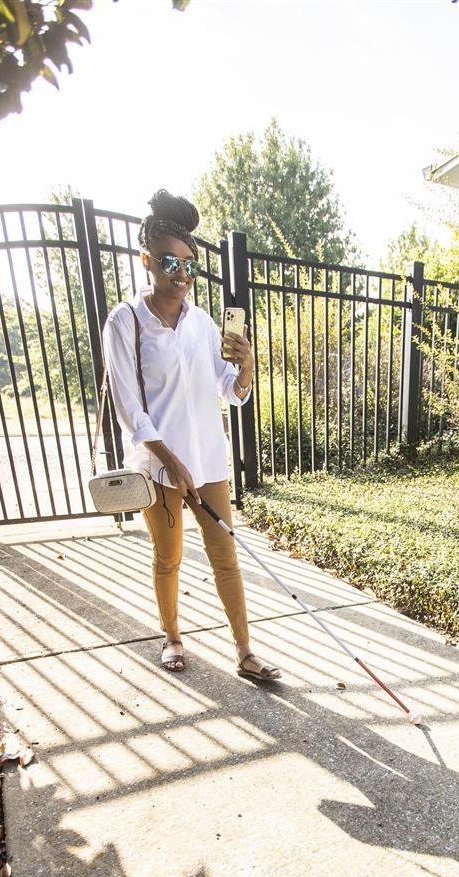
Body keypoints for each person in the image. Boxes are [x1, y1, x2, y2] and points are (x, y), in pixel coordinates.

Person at [103, 188, 280, 680]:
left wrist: (246, 367)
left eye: (189, 265)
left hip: (207, 458)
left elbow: (231, 392)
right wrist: (169, 461)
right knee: (169, 557)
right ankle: (173, 637)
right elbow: (128, 405)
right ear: (146, 260)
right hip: (159, 467)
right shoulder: (125, 322)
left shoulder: (203, 325)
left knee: (226, 556)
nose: (181, 275)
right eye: (169, 262)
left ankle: (245, 652)